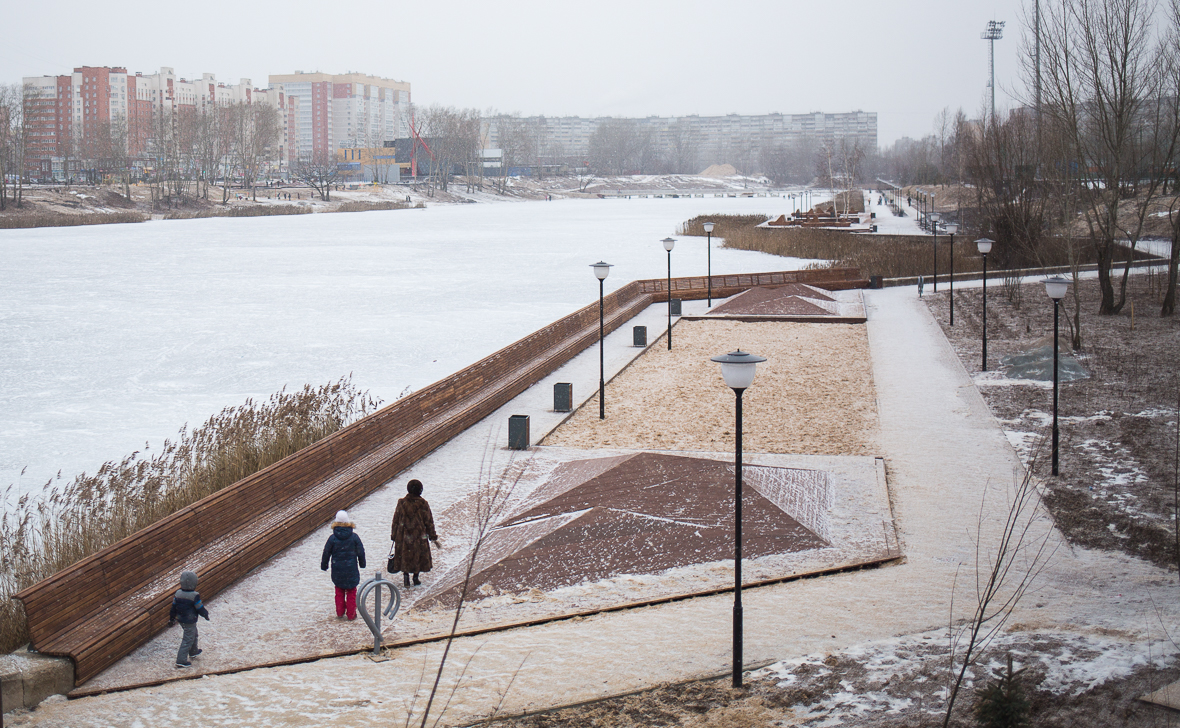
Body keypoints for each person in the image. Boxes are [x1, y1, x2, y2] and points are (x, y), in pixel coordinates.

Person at [391, 479, 438, 587]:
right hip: (419, 535)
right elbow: (429, 521)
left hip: (403, 535)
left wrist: (394, 535)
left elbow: (396, 520)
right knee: (418, 555)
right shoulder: (423, 504)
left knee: (405, 555)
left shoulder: (401, 503)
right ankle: (416, 578)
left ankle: (406, 576)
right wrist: (432, 535)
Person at [320, 510, 366, 620]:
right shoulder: (354, 537)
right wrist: (362, 563)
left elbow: (326, 553)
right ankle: (351, 614)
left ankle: (340, 613)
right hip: (351, 569)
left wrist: (324, 565)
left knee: (339, 591)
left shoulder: (332, 538)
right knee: (351, 591)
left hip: (337, 570)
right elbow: (361, 551)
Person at [168, 570, 209, 669]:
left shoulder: (178, 594)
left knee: (193, 634)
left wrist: (172, 618)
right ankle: (181, 660)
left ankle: (193, 651)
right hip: (189, 620)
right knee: (188, 639)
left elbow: (173, 607)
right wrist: (205, 614)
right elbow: (199, 607)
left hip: (181, 619)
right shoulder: (194, 596)